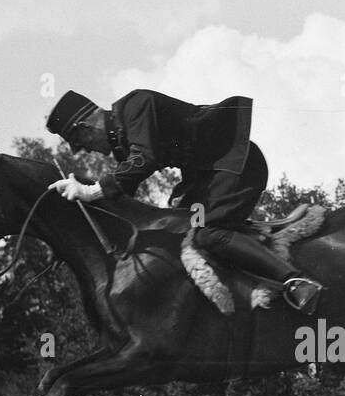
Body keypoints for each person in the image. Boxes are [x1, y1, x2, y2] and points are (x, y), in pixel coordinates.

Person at [44, 88, 323, 313]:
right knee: (180, 231)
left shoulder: (136, 105)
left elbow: (144, 160)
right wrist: (78, 204)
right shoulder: (123, 137)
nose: (89, 151)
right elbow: (124, 195)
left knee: (210, 234)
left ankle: (296, 282)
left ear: (86, 127)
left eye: (82, 143)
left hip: (235, 164)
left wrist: (90, 191)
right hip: (208, 174)